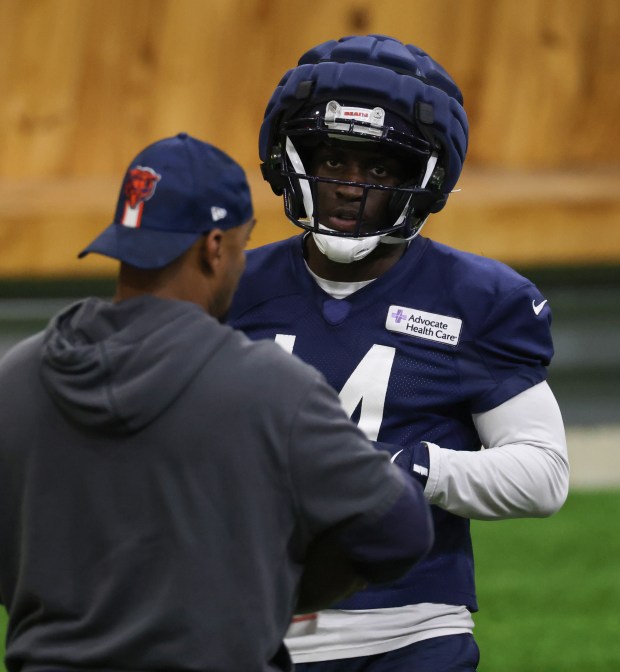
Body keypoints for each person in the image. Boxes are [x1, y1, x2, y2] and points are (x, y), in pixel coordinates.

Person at [0, 133, 434, 672]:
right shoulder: (271, 390)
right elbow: (400, 532)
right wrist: (275, 589)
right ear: (214, 247)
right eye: (242, 243)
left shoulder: (15, 378)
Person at [228, 35, 570, 671]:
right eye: (332, 158)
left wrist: (409, 472)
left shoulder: (478, 299)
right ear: (290, 157)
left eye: (379, 169)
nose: (350, 187)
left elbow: (543, 474)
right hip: (239, 622)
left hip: (406, 632)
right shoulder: (228, 286)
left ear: (424, 179)